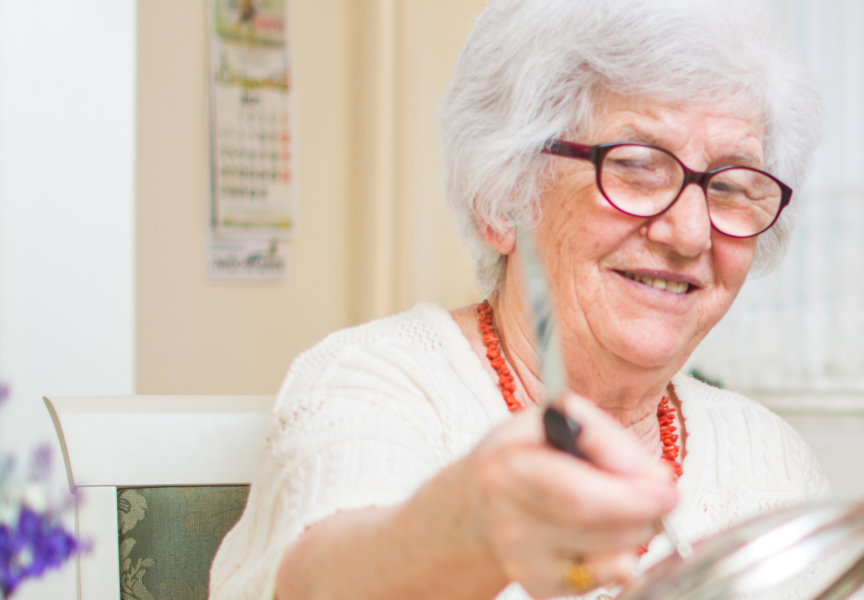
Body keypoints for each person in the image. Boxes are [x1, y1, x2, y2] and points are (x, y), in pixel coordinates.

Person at [208, 0, 826, 597]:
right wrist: (472, 530)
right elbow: (319, 582)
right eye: (637, 166)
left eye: (730, 186)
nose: (689, 233)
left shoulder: (771, 461)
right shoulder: (374, 386)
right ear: (504, 199)